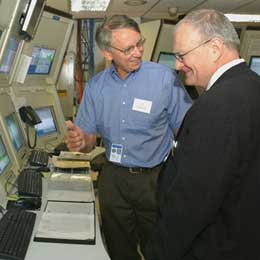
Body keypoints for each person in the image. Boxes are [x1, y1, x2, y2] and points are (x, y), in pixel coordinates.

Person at [65, 15, 192, 260]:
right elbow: (89, 139)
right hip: (113, 179)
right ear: (108, 53)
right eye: (128, 48)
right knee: (118, 247)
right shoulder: (95, 87)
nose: (137, 52)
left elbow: (185, 129)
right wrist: (81, 142)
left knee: (159, 247)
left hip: (155, 178)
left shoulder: (164, 79)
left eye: (139, 44)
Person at [145, 9, 260, 260]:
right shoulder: (252, 87)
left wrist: (157, 252)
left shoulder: (217, 105)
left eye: (181, 55)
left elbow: (193, 200)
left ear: (215, 48)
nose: (177, 64)